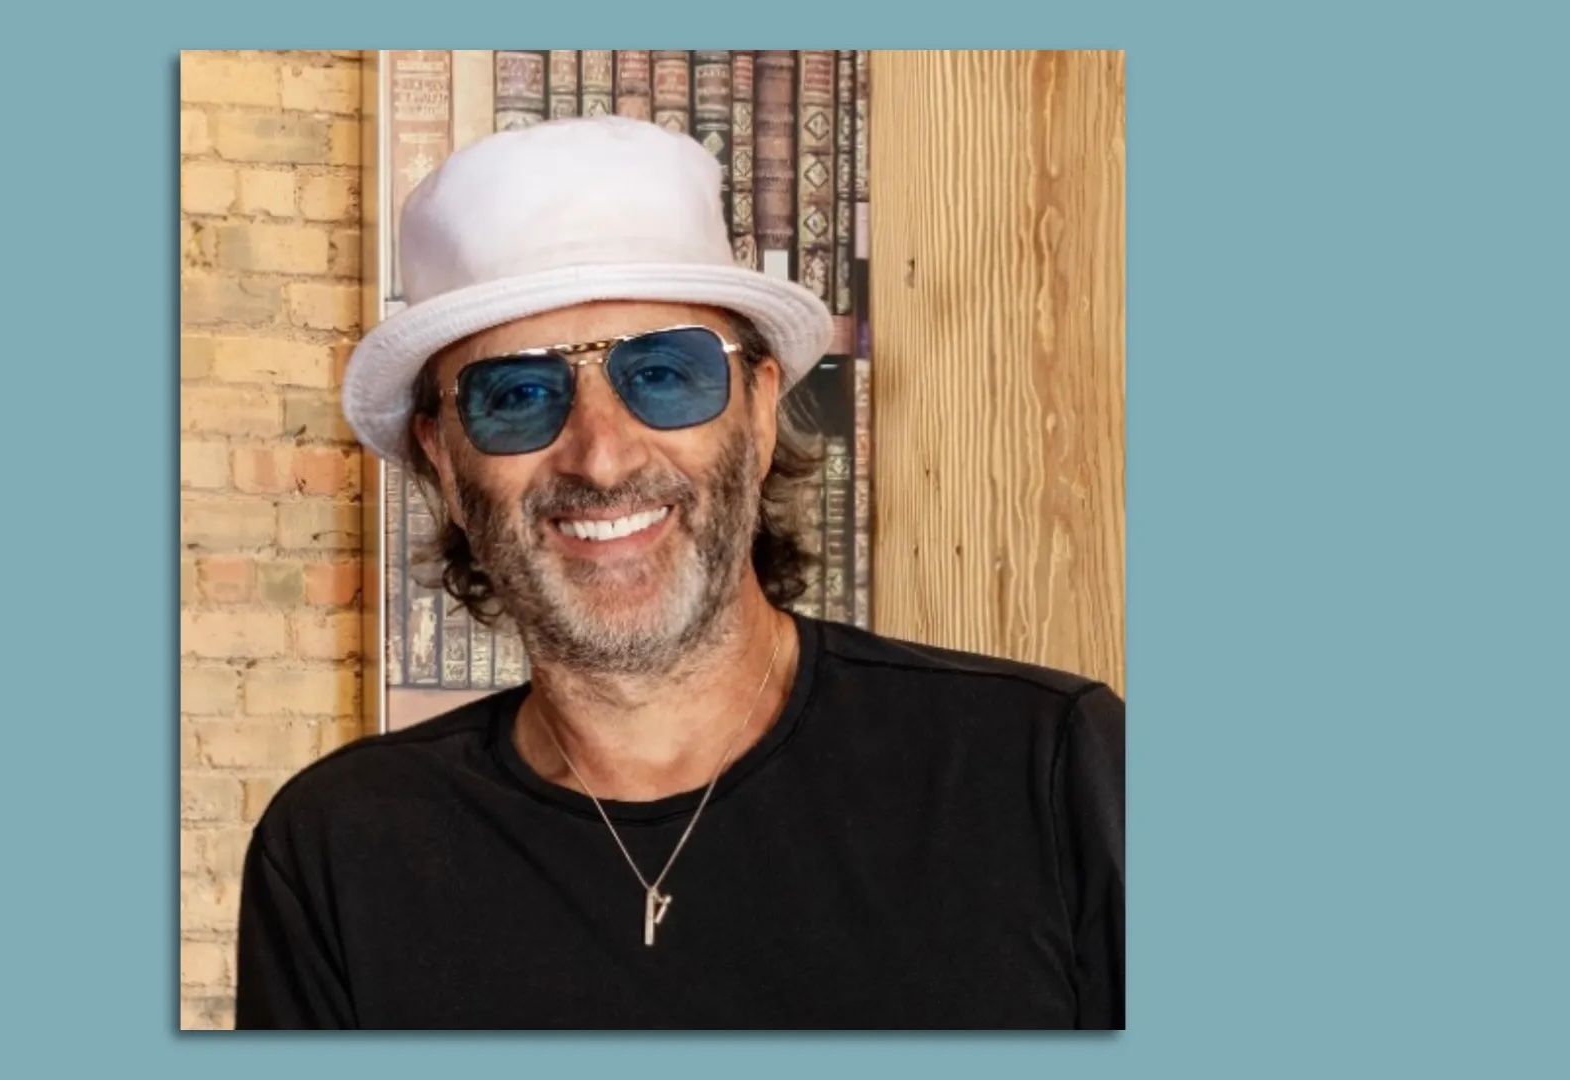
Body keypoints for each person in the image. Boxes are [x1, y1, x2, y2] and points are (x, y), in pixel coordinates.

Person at [234, 115, 1124, 1030]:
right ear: (447, 464)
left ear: (762, 408)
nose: (603, 458)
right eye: (517, 395)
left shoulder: (1043, 769)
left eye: (663, 373)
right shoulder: (342, 851)